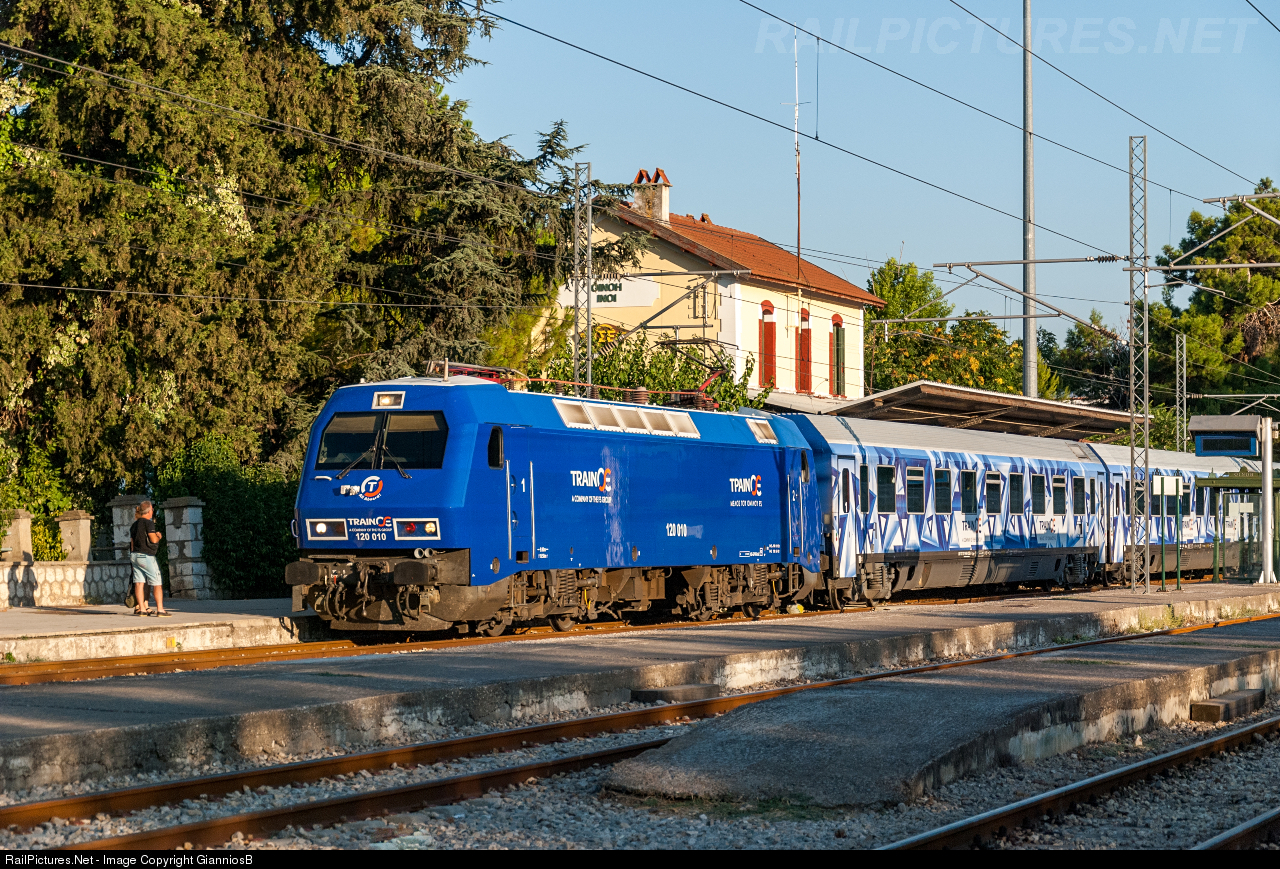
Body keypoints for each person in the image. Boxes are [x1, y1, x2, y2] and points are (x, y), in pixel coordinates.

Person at [129, 501, 170, 617]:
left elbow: (132, 543)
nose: (153, 511)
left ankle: (142, 609)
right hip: (146, 556)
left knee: (139, 583)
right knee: (157, 582)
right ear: (149, 511)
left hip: (135, 555)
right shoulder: (149, 523)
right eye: (152, 509)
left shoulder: (134, 525)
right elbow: (153, 540)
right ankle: (160, 609)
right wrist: (158, 536)